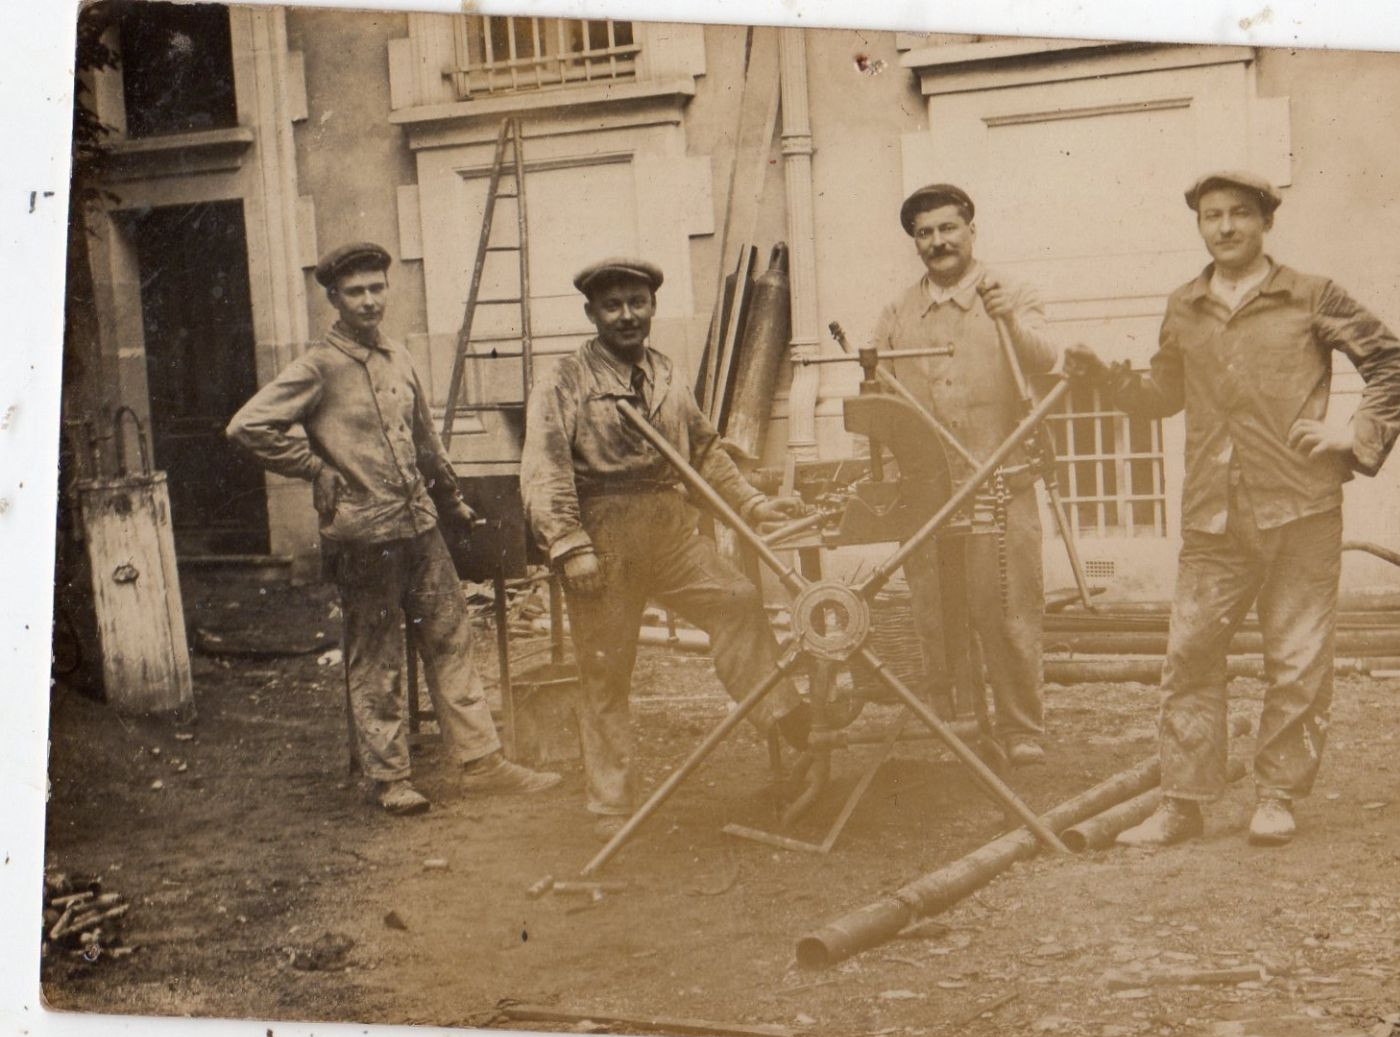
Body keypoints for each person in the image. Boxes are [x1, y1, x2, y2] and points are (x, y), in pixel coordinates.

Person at [1068, 172, 1400, 846]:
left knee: (1295, 659)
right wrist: (1103, 378)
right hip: (1211, 514)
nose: (1224, 227)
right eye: (1210, 216)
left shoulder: (1310, 294)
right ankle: (1181, 804)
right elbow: (1162, 394)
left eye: (1239, 214)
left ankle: (1277, 795)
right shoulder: (1183, 305)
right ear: (1198, 224)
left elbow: (1392, 364)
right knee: (1190, 657)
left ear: (1265, 221)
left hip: (1300, 507)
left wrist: (1354, 436)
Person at [227, 242, 561, 816]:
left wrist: (452, 499)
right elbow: (247, 427)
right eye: (355, 291)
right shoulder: (317, 367)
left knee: (452, 638)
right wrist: (313, 466)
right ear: (333, 299)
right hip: (363, 537)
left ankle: (482, 763)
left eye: (376, 288)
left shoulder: (399, 358)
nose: (368, 300)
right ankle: (389, 778)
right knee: (377, 654)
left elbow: (425, 440)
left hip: (420, 528)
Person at [520, 257, 812, 839]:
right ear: (592, 313)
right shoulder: (565, 379)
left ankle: (788, 725)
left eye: (637, 303)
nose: (627, 316)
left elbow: (702, 454)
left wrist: (752, 505)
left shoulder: (666, 372)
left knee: (736, 599)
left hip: (670, 527)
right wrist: (570, 544)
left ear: (652, 307)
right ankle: (611, 804)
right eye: (612, 305)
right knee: (606, 669)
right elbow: (543, 468)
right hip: (603, 532)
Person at [872, 184, 1061, 766]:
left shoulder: (1011, 295)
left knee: (1006, 607)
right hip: (928, 494)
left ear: (971, 230)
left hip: (1003, 481)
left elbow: (1047, 364)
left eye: (948, 229)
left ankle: (1021, 727)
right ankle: (957, 726)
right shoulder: (897, 313)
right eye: (925, 233)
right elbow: (878, 401)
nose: (938, 242)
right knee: (937, 611)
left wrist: (1012, 322)